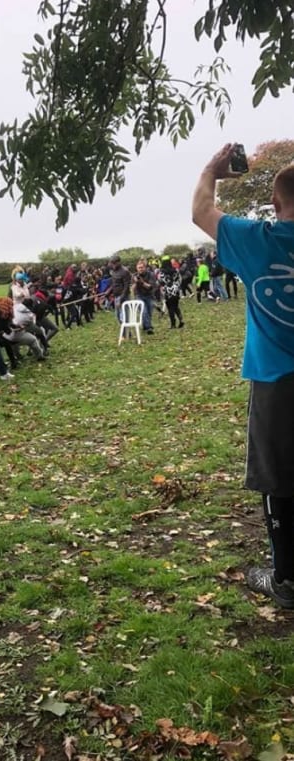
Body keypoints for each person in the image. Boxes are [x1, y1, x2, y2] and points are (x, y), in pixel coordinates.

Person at [192, 142, 294, 608]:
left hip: (276, 381)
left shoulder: (258, 240)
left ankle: (286, 580)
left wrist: (212, 170)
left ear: (275, 204)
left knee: (277, 478)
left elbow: (202, 212)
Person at [157, 256, 184, 329]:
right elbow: (180, 279)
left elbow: (160, 281)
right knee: (176, 306)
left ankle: (173, 324)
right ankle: (181, 320)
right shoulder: (176, 270)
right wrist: (176, 286)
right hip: (175, 291)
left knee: (170, 308)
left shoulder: (162, 272)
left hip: (167, 292)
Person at [132, 259, 156, 334]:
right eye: (139, 268)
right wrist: (136, 282)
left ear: (145, 267)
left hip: (149, 295)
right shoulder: (134, 275)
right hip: (139, 295)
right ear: (136, 268)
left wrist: (142, 282)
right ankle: (149, 327)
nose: (140, 269)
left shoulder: (150, 274)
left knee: (149, 312)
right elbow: (132, 289)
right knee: (144, 311)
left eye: (142, 267)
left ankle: (145, 326)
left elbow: (150, 287)